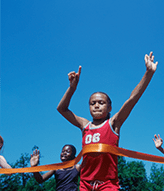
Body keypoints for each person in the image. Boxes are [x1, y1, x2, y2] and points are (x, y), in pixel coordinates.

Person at [57, 52, 158, 191]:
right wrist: (72, 88)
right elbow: (61, 109)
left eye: (101, 102)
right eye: (92, 103)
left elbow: (132, 100)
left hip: (108, 184)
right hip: (85, 184)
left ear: (109, 107)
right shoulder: (84, 125)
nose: (96, 105)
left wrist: (148, 74)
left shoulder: (113, 123)